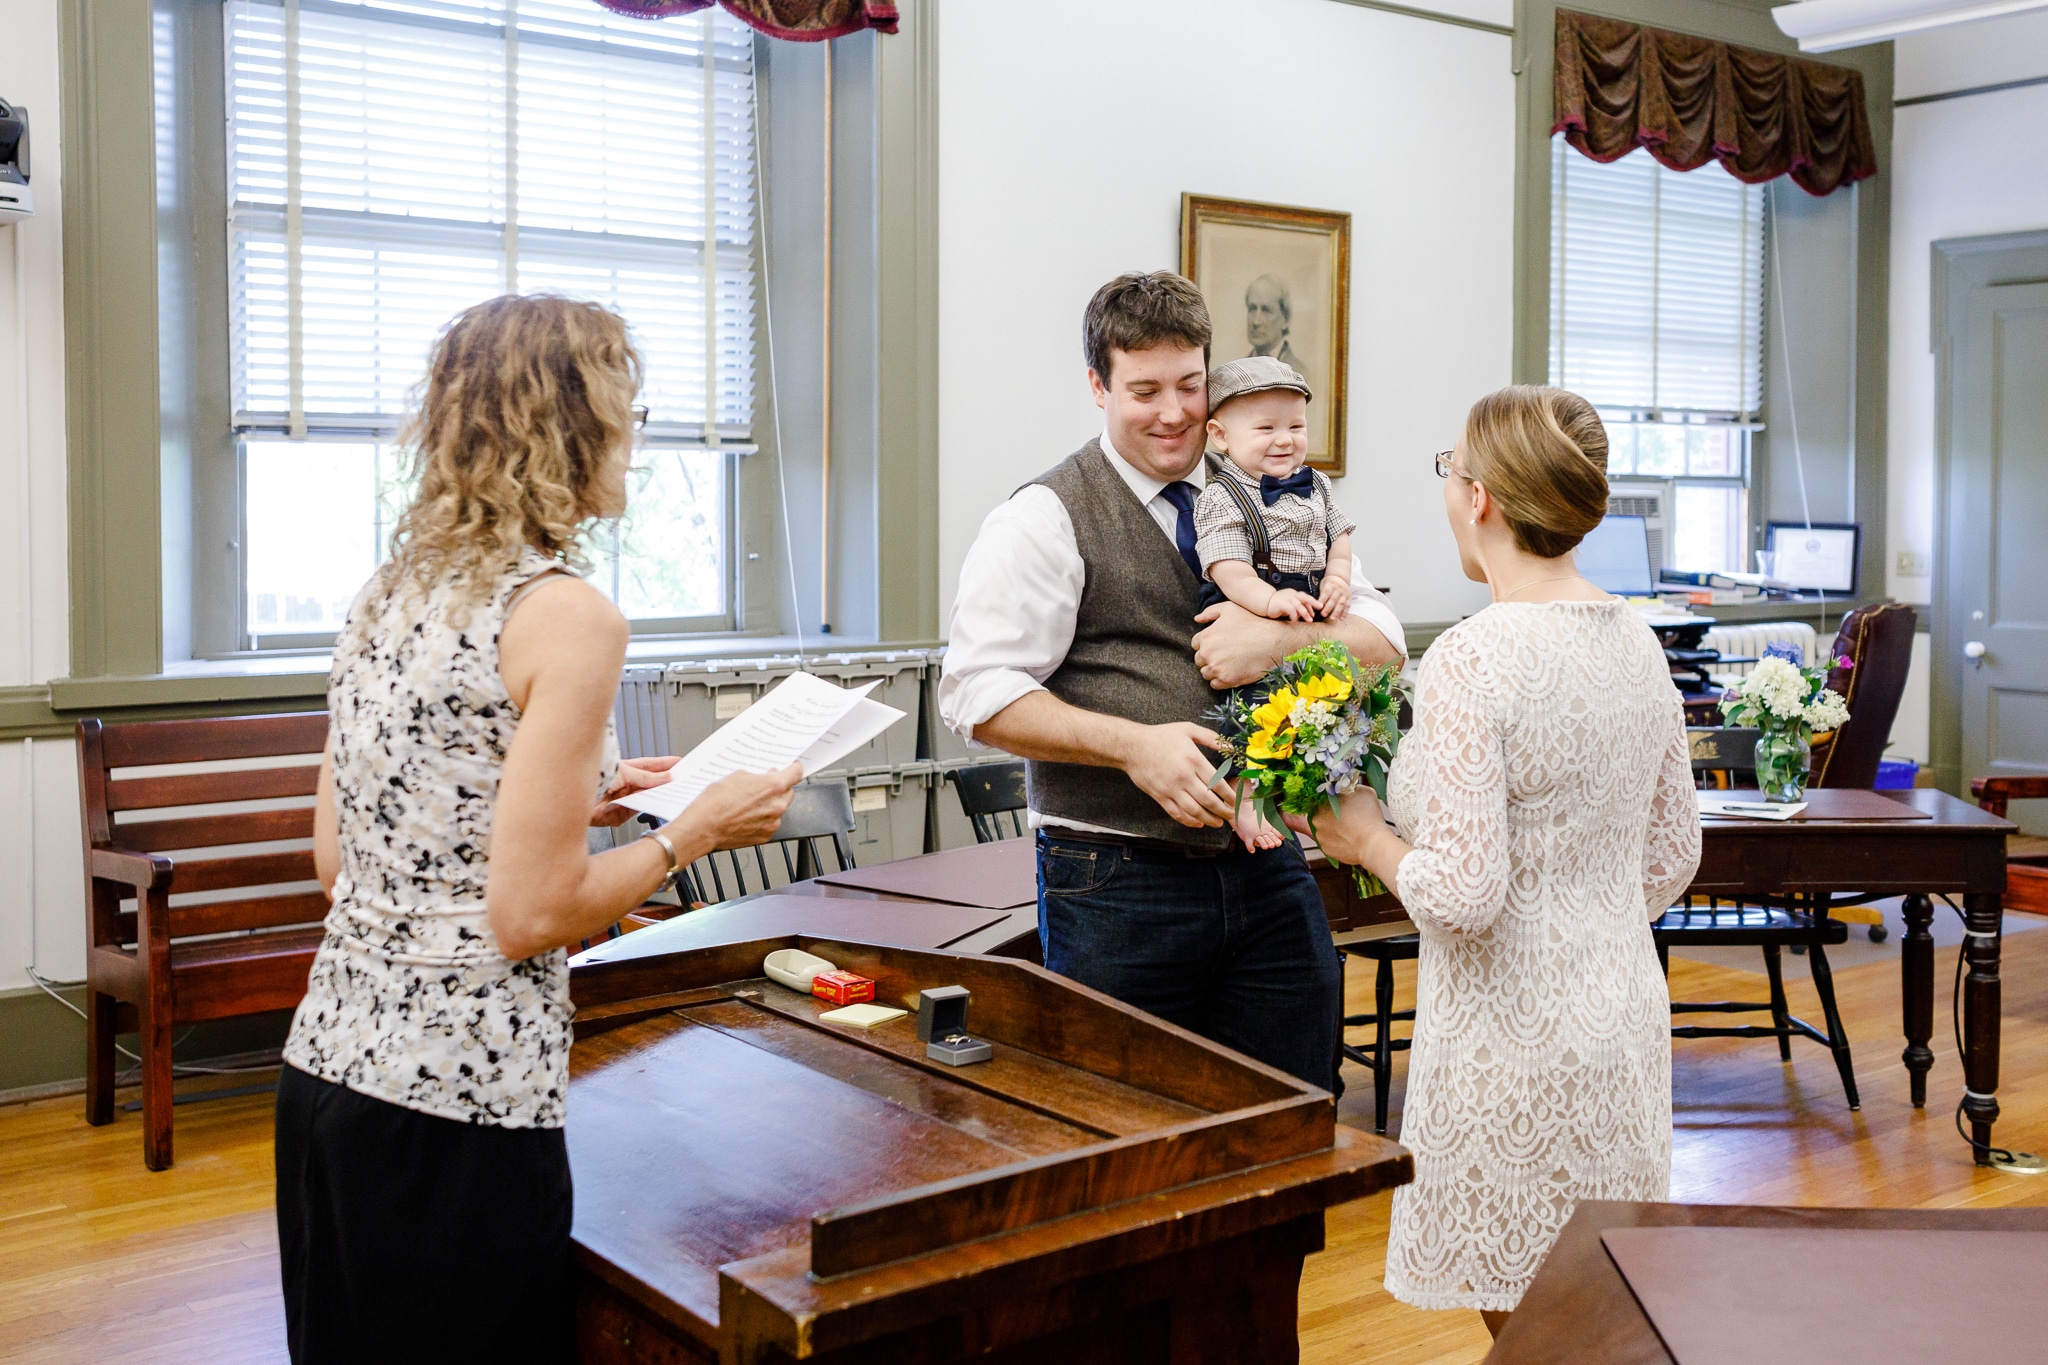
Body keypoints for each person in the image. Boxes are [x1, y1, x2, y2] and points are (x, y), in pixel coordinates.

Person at [273, 294, 803, 1362]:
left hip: (328, 1079)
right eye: (632, 413)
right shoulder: (567, 615)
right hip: (459, 1105)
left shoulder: (386, 592)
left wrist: (584, 791)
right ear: (574, 425)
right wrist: (690, 830)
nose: (638, 442)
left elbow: (343, 857)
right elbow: (532, 915)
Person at [1292, 385, 1701, 1336]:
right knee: (1597, 1321)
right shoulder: (1639, 642)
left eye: (1450, 470)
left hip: (1510, 1043)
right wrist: (1580, 913)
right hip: (1622, 1019)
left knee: (1528, 1332)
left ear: (1479, 498)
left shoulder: (1476, 657)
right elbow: (1676, 851)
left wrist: (1364, 840)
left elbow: (1468, 894)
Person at [938, 270, 1405, 1091]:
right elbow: (975, 693)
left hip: (1270, 866)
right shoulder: (1043, 517)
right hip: (1115, 880)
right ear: (1097, 385)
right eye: (1144, 390)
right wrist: (1132, 748)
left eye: (1190, 385)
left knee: (1295, 1110)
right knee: (1132, 1124)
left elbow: (1383, 642)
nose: (1173, 412)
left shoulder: (1277, 495)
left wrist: (1268, 642)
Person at [1193, 355, 1354, 624]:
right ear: (1220, 435)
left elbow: (1338, 538)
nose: (1284, 439)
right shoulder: (1220, 498)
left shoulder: (1317, 483)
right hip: (1250, 607)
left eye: (1296, 426)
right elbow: (1230, 570)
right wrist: (1270, 600)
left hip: (1311, 604)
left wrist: (1337, 578)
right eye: (1266, 428)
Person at [1243, 272, 1309, 388]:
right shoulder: (1238, 372)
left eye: (1266, 310)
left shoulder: (1302, 375)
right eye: (1252, 309)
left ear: (1286, 319)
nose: (1256, 322)